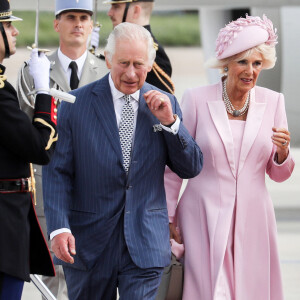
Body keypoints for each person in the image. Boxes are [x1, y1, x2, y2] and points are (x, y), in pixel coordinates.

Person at [42, 22, 203, 300]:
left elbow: (191, 167)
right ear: (107, 58)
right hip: (89, 245)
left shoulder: (166, 104)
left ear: (150, 64)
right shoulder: (75, 104)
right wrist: (59, 228)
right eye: (123, 63)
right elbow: (57, 173)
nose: (130, 73)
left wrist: (170, 123)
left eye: (138, 64)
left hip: (144, 244)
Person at [165, 14, 295, 300]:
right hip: (202, 216)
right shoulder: (197, 99)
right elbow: (175, 165)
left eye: (257, 63)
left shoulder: (274, 102)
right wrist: (169, 217)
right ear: (226, 63)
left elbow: (279, 174)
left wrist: (283, 154)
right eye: (243, 62)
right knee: (209, 292)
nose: (250, 71)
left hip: (254, 218)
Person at [16, 0, 108, 298]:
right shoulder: (35, 68)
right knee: (53, 277)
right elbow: (23, 129)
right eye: (70, 17)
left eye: (84, 17)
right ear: (57, 24)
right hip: (48, 186)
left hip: (95, 189)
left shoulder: (106, 69)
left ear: (93, 24)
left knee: (94, 274)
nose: (78, 24)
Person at [0, 1, 58, 299]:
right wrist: (44, 91)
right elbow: (39, 147)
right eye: (8, 26)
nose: (15, 31)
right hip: (4, 227)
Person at [104, 0, 175, 94]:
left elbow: (161, 98)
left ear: (136, 11)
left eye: (116, 7)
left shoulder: (153, 53)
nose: (109, 13)